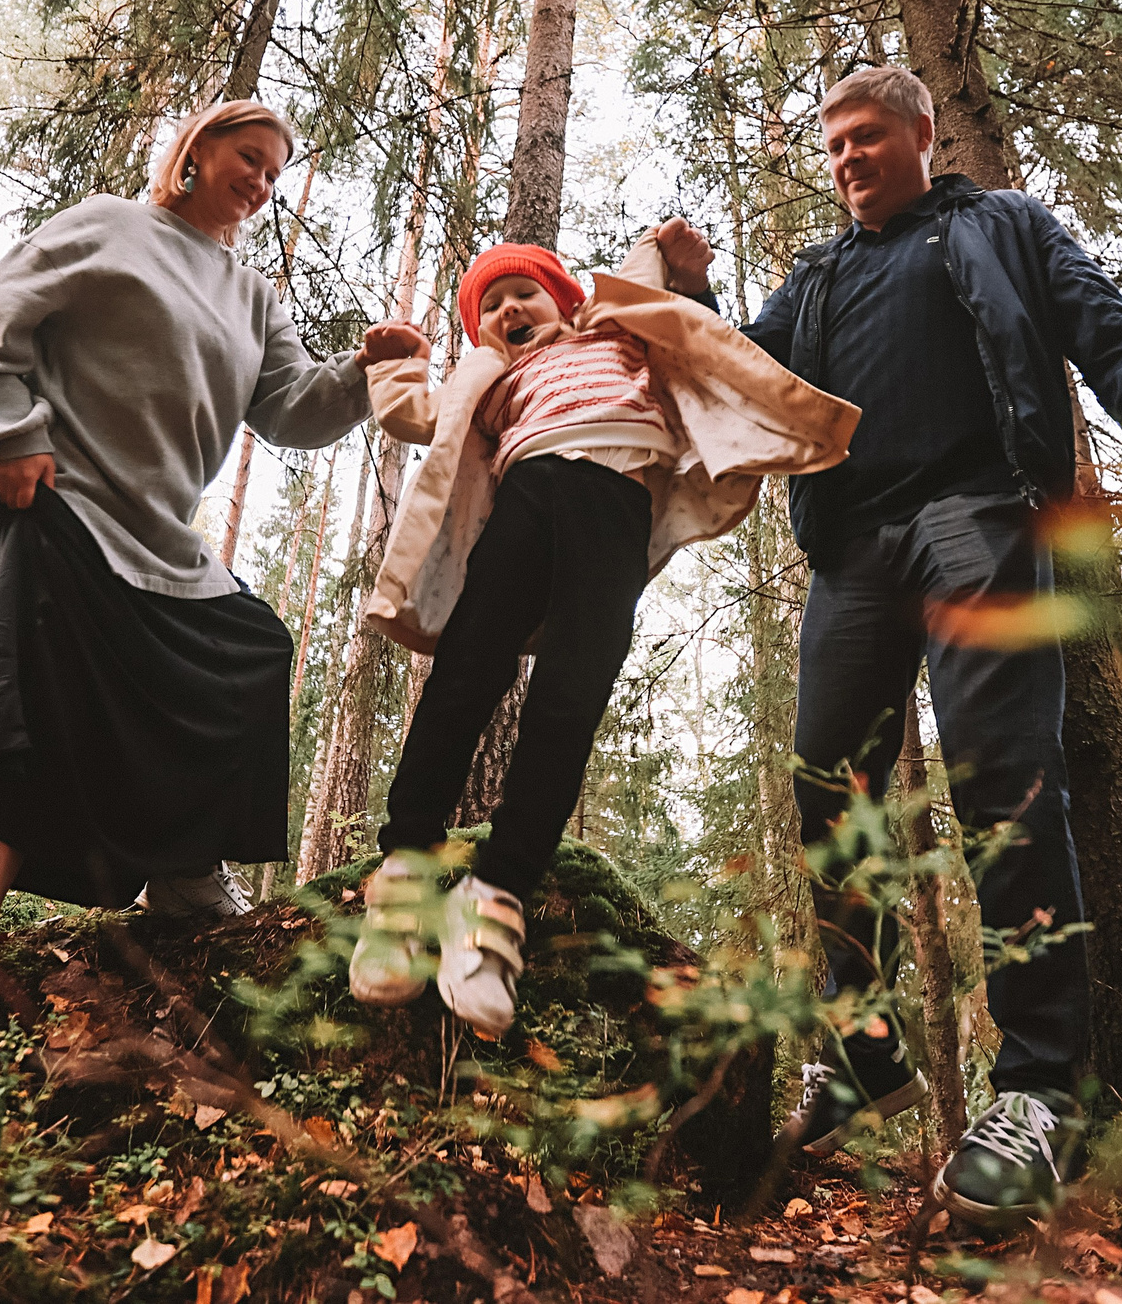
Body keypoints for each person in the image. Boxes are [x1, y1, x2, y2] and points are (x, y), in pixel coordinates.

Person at [653, 64, 1122, 1228]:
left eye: (866, 138)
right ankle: (859, 1052)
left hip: (977, 517)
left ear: (919, 133)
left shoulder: (999, 225)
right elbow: (739, 381)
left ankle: (1036, 1093)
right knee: (830, 794)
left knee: (1004, 785)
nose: (848, 160)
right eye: (833, 147)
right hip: (855, 551)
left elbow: (1100, 323)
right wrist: (697, 292)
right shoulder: (814, 278)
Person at [0, 99, 428, 1151]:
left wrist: (362, 368)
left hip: (165, 548)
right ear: (196, 152)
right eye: (248, 159)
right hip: (61, 513)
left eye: (274, 173)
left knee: (251, 645)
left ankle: (183, 878)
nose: (260, 182)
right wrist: (13, 431)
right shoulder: (110, 228)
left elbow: (291, 409)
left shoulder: (253, 294)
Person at [348, 231, 858, 1038]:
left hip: (616, 504)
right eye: (493, 304)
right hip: (526, 493)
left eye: (526, 292)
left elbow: (699, 344)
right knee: (465, 672)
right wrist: (394, 361)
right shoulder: (492, 374)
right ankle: (406, 869)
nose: (512, 308)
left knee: (571, 697)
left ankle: (494, 900)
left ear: (564, 296)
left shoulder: (616, 332)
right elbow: (419, 414)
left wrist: (689, 278)